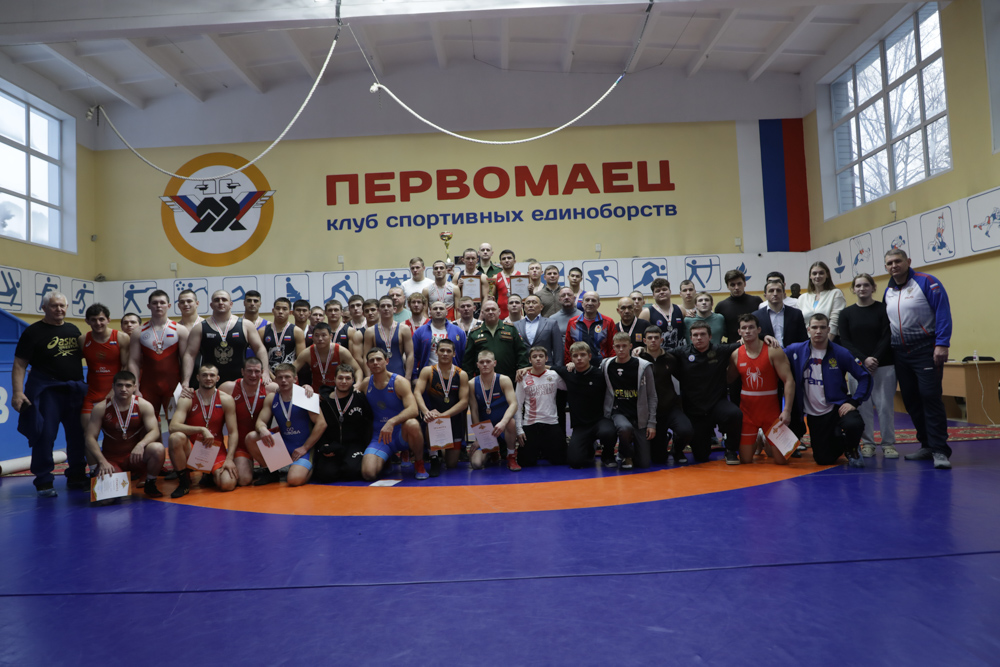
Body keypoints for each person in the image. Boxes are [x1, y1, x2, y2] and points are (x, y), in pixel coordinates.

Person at [12, 292, 89, 496]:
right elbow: (19, 364)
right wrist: (18, 392)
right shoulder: (33, 332)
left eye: (62, 305)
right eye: (54, 306)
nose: (59, 309)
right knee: (44, 436)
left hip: (74, 391)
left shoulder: (73, 330)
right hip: (48, 392)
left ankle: (77, 475)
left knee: (78, 435)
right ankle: (44, 480)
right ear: (44, 308)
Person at [883, 249, 953, 469]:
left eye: (898, 261)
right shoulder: (888, 290)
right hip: (900, 353)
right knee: (911, 400)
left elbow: (942, 312)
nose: (894, 265)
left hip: (926, 350)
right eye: (889, 263)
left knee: (930, 397)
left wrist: (942, 343)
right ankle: (927, 445)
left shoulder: (927, 282)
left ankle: (940, 450)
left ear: (908, 262)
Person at [785, 314, 871, 468]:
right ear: (808, 329)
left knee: (854, 424)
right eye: (814, 327)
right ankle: (841, 439)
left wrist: (854, 401)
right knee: (823, 459)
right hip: (813, 413)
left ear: (828, 329)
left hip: (837, 407)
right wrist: (764, 338)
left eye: (822, 327)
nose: (818, 331)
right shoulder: (796, 350)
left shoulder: (840, 353)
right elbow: (774, 354)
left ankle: (852, 448)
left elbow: (865, 377)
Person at [666, 321, 743, 464]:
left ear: (710, 336)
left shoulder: (720, 350)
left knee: (735, 414)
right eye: (695, 335)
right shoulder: (682, 352)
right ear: (690, 338)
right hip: (695, 410)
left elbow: (745, 343)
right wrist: (640, 349)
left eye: (702, 334)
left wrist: (765, 336)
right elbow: (659, 352)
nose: (699, 338)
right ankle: (677, 447)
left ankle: (731, 450)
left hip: (717, 404)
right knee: (701, 456)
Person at [839, 273, 897, 459]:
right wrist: (864, 360)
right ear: (853, 289)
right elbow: (845, 341)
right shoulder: (846, 314)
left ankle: (888, 444)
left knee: (885, 406)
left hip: (884, 365)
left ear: (873, 288)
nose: (862, 288)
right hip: (857, 367)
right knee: (862, 407)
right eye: (858, 286)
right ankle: (868, 443)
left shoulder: (883, 309)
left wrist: (875, 358)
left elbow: (886, 336)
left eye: (866, 285)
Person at [84, 370, 164, 497]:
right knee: (107, 499)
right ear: (113, 386)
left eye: (128, 386)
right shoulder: (101, 408)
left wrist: (141, 444)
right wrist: (102, 461)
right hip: (111, 459)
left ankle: (150, 483)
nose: (123, 389)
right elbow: (90, 438)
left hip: (135, 456)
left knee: (157, 448)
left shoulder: (143, 405)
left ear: (134, 387)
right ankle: (103, 476)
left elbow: (154, 431)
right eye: (119, 385)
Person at [246, 363, 328, 486]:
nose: (283, 380)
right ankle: (271, 471)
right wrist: (262, 429)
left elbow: (322, 424)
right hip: (284, 445)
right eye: (280, 377)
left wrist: (305, 447)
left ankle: (311, 467)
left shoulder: (305, 395)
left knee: (294, 480)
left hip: (303, 447)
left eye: (287, 377)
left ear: (295, 379)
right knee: (251, 437)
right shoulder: (272, 398)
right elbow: (260, 422)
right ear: (276, 380)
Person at [729, 314, 795, 464]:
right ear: (739, 332)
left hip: (771, 412)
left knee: (782, 461)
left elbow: (789, 380)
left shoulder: (773, 351)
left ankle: (766, 440)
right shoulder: (735, 355)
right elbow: (728, 379)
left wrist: (787, 410)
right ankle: (759, 438)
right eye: (744, 328)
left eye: (751, 327)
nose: (748, 331)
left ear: (759, 330)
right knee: (745, 460)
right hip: (748, 413)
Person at [167, 363, 240, 498]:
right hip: (193, 449)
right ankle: (184, 482)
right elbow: (173, 427)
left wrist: (229, 459)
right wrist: (201, 429)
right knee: (176, 437)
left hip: (215, 449)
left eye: (212, 375)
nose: (208, 378)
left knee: (227, 484)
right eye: (204, 375)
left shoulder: (226, 399)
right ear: (198, 377)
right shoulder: (188, 398)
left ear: (217, 378)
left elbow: (233, 432)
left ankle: (209, 474)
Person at [360, 348, 428, 481]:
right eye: (372, 360)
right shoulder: (366, 384)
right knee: (368, 473)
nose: (375, 362)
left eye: (379, 359)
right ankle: (387, 459)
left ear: (386, 361)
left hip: (401, 434)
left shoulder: (399, 382)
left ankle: (419, 462)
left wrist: (392, 421)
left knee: (413, 424)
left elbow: (413, 409)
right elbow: (349, 395)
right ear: (367, 364)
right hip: (380, 437)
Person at [128, 290, 189, 428]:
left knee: (175, 426)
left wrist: (185, 382)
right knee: (149, 427)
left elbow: (186, 358)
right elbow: (133, 361)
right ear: (149, 306)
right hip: (148, 387)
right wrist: (135, 387)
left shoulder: (180, 330)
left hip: (173, 387)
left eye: (162, 303)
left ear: (169, 305)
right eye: (155, 303)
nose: (158, 306)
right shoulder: (139, 331)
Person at [183, 290, 270, 386]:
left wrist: (265, 372)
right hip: (210, 382)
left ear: (231, 304)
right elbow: (190, 355)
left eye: (224, 299)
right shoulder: (199, 328)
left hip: (240, 382)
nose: (220, 302)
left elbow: (260, 348)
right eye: (217, 300)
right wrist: (186, 380)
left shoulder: (246, 325)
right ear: (211, 305)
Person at [552, 342, 618, 468]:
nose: (579, 358)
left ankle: (608, 455)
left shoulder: (600, 375)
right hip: (581, 426)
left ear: (589, 356)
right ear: (571, 358)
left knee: (608, 432)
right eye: (575, 356)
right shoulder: (567, 372)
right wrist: (525, 369)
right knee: (575, 462)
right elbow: (546, 367)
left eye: (582, 355)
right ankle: (590, 448)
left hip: (600, 420)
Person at [600, 333, 657, 469]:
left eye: (624, 346)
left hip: (639, 415)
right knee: (625, 428)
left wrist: (652, 423)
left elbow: (652, 396)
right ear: (613, 347)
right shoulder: (606, 365)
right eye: (618, 346)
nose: (621, 349)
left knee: (643, 463)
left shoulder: (643, 366)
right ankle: (626, 455)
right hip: (618, 412)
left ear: (630, 346)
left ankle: (625, 449)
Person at [414, 338, 470, 476]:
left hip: (455, 420)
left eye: (448, 351)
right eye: (442, 350)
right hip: (434, 419)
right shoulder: (428, 371)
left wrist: (444, 416)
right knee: (431, 419)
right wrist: (426, 412)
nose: (445, 353)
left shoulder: (461, 374)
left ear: (454, 354)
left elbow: (464, 402)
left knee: (451, 464)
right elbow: (417, 392)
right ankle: (434, 458)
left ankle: (442, 451)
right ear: (436, 352)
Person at [218, 357, 277, 487]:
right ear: (242, 371)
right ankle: (253, 467)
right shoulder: (228, 388)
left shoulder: (271, 388)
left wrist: (307, 387)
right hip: (240, 444)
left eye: (257, 371)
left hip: (262, 440)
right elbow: (207, 398)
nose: (253, 375)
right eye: (249, 371)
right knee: (243, 480)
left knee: (252, 436)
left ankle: (271, 470)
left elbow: (292, 391)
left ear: (262, 372)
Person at [638, 326, 692, 465]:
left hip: (670, 407)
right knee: (658, 459)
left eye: (656, 338)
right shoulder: (638, 359)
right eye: (650, 338)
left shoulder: (671, 359)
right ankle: (664, 438)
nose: (653, 340)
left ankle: (677, 450)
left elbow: (683, 379)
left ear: (661, 340)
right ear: (644, 340)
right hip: (650, 412)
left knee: (686, 430)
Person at [312, 365, 373, 483]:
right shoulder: (324, 400)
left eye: (348, 378)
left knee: (352, 472)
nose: (344, 381)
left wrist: (366, 445)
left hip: (354, 444)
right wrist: (324, 445)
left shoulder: (359, 398)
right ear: (334, 379)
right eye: (340, 378)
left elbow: (369, 422)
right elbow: (318, 425)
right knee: (325, 475)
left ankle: (346, 464)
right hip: (333, 444)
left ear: (353, 380)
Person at [514, 346, 566, 466]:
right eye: (534, 356)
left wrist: (571, 366)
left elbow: (570, 386)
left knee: (561, 461)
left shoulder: (554, 375)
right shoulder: (522, 377)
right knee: (525, 463)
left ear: (546, 359)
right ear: (529, 360)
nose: (538, 359)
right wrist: (519, 429)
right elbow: (518, 405)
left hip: (551, 422)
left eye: (541, 356)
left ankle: (545, 450)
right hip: (531, 423)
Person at [469, 350, 521, 471]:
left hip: (503, 427)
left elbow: (513, 404)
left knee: (511, 422)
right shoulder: (472, 383)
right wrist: (479, 437)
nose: (485, 364)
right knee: (476, 464)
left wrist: (503, 422)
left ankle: (511, 456)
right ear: (477, 364)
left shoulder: (504, 380)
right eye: (482, 362)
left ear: (495, 363)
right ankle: (491, 451)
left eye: (488, 361)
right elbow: (474, 411)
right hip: (486, 431)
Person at [79, 303, 130, 428]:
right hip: (92, 394)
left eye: (101, 319)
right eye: (93, 320)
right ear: (87, 321)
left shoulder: (121, 337)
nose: (98, 323)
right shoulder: (83, 340)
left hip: (116, 394)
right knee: (88, 432)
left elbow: (126, 367)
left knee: (118, 432)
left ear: (108, 320)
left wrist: (114, 391)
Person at [463, 300, 529, 382]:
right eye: (487, 310)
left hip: (510, 378)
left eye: (493, 309)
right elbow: (468, 360)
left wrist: (522, 369)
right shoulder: (475, 333)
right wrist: (468, 380)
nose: (490, 312)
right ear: (482, 313)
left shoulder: (511, 330)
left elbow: (521, 352)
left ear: (499, 311)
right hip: (483, 380)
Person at [296, 322, 363, 387]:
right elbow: (292, 370)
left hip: (338, 390)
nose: (320, 339)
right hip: (316, 391)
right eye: (317, 336)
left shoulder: (341, 351)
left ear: (331, 336)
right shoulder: (307, 353)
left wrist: (357, 384)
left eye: (323, 335)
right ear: (312, 337)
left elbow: (357, 370)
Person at [412, 300, 467, 380]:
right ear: (430, 312)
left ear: (446, 312)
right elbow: (414, 355)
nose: (438, 311)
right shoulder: (420, 332)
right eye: (435, 309)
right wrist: (414, 377)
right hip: (428, 376)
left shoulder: (458, 332)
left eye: (441, 308)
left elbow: (464, 356)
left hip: (453, 376)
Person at [364, 295, 414, 379]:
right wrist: (369, 378)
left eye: (389, 306)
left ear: (394, 309)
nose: (386, 308)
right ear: (378, 310)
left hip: (399, 373)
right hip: (377, 376)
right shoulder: (370, 331)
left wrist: (408, 377)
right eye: (383, 306)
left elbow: (410, 354)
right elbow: (366, 357)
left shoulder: (404, 329)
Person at [797, 261, 847, 339]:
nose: (817, 276)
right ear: (810, 276)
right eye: (814, 273)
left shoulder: (836, 293)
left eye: (821, 273)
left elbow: (834, 322)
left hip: (830, 339)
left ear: (827, 275)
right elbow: (800, 324)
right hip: (808, 341)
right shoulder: (802, 298)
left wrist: (826, 344)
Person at [564, 292, 615, 364]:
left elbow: (613, 347)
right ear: (582, 303)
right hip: (578, 366)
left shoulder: (608, 322)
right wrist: (569, 363)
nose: (590, 303)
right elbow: (568, 347)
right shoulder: (572, 322)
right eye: (587, 300)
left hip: (601, 366)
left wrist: (610, 364)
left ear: (598, 304)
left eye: (593, 300)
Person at [715, 269, 763, 345]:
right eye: (732, 285)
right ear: (728, 286)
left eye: (739, 284)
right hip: (732, 347)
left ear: (745, 284)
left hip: (756, 345)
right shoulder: (721, 306)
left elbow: (763, 325)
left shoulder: (756, 301)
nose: (736, 287)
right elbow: (721, 331)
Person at [260, 297, 306, 374]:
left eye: (284, 309)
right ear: (273, 311)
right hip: (268, 376)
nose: (280, 312)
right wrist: (269, 375)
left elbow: (300, 359)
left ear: (290, 312)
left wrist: (287, 375)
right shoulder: (262, 331)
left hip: (290, 375)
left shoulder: (297, 331)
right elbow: (259, 358)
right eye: (278, 308)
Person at [513, 294, 563, 365]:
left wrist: (557, 368)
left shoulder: (551, 323)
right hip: (523, 366)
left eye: (534, 302)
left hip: (546, 366)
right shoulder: (516, 325)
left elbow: (558, 349)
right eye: (528, 303)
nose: (531, 305)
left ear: (541, 307)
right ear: (524, 307)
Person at [757, 280, 807, 347]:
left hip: (792, 352)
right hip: (768, 352)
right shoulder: (757, 316)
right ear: (765, 295)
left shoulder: (796, 314)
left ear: (784, 294)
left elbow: (803, 339)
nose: (775, 293)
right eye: (771, 291)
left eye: (778, 290)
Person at [639, 278, 686, 348]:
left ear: (670, 291)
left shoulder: (680, 309)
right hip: (658, 353)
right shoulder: (646, 313)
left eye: (664, 289)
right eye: (657, 291)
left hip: (680, 352)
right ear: (653, 295)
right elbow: (640, 336)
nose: (661, 292)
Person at [453, 248, 488, 318]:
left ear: (477, 260)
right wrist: (458, 286)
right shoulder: (457, 276)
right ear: (463, 260)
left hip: (478, 313)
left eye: (473, 258)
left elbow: (485, 297)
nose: (471, 261)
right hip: (461, 312)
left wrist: (481, 316)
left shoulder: (483, 277)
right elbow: (452, 297)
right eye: (468, 258)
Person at [492, 248, 522, 319]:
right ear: (500, 262)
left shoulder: (522, 276)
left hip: (518, 314)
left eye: (509, 258)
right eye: (504, 259)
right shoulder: (495, 278)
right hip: (501, 315)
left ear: (514, 261)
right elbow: (491, 296)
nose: (507, 260)